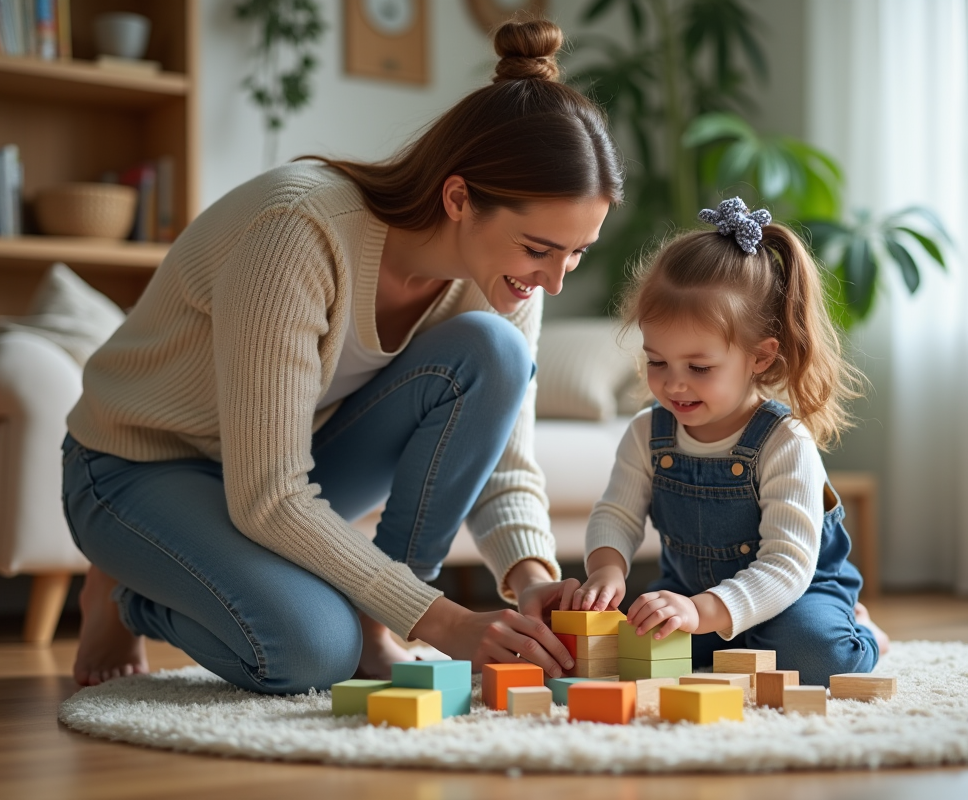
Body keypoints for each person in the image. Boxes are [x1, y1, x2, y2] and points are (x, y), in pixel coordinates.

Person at [61, 19, 623, 693]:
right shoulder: (296, 231)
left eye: (577, 253)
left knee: (495, 352)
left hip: (289, 463)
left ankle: (370, 623)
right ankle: (127, 594)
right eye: (540, 249)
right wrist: (440, 622)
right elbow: (270, 496)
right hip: (136, 467)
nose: (556, 280)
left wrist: (533, 578)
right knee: (308, 654)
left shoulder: (509, 281)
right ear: (458, 198)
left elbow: (502, 460)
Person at [560, 198, 889, 685]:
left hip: (793, 592)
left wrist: (701, 612)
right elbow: (617, 513)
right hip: (691, 592)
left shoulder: (784, 443)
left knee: (816, 657)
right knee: (628, 650)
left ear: (760, 357)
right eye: (657, 362)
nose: (674, 385)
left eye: (698, 368)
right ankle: (727, 639)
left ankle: (861, 631)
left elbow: (785, 566)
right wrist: (607, 569)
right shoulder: (647, 432)